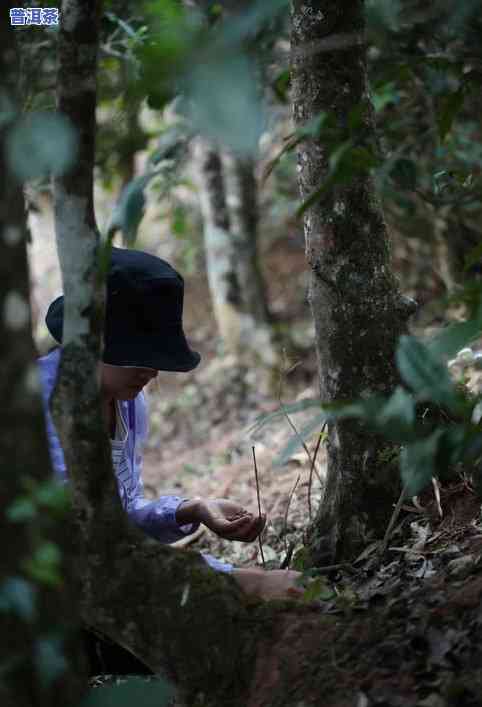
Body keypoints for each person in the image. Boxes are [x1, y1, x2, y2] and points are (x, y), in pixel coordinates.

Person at [38, 246, 301, 601]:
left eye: (156, 357)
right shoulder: (35, 405)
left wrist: (192, 508)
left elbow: (118, 518)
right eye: (138, 355)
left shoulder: (127, 404)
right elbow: (81, 542)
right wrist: (240, 582)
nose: (152, 371)